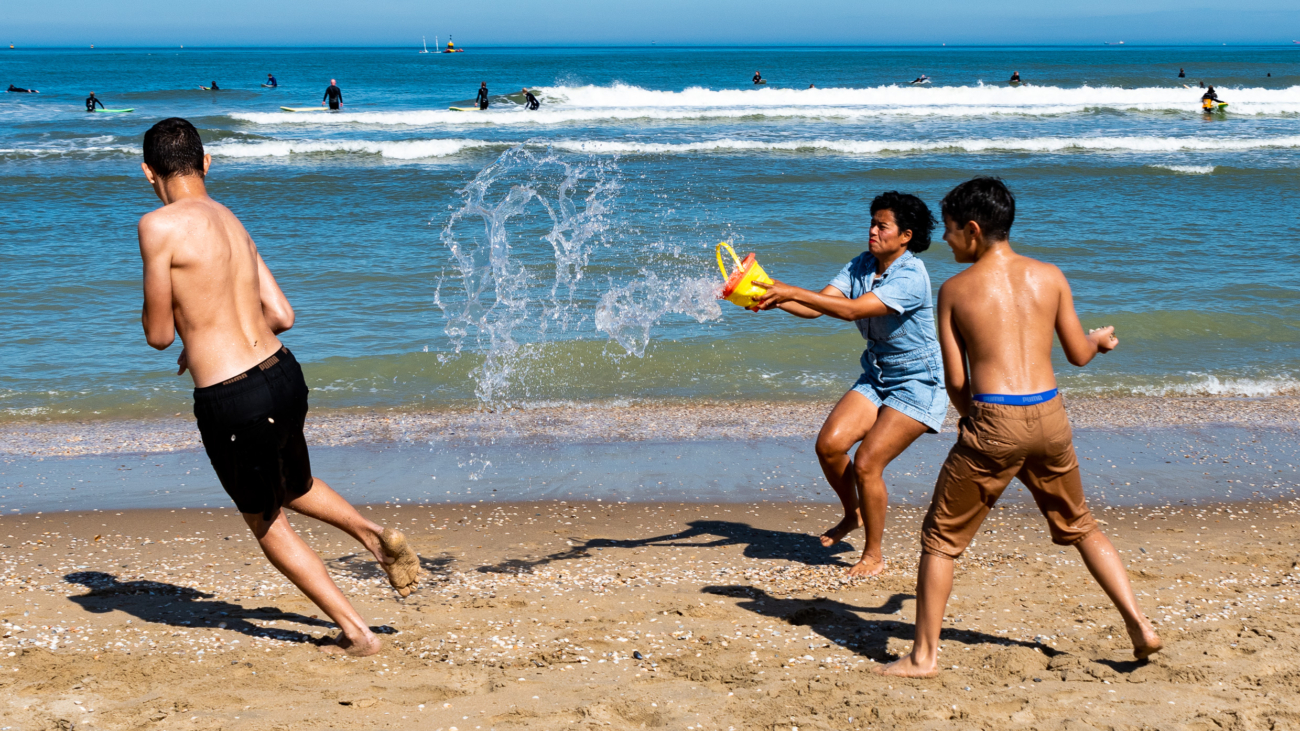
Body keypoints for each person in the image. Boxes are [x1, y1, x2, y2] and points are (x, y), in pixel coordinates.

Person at [135, 117, 421, 656]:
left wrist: (189, 335)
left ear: (148, 171)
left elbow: (157, 334)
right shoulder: (232, 221)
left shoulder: (158, 225)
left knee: (267, 521)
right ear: (207, 162)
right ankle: (372, 535)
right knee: (294, 482)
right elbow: (282, 315)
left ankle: (358, 634)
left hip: (232, 396)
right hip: (283, 374)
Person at [877, 177, 1162, 679]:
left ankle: (923, 657)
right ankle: (1139, 623)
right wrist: (1099, 341)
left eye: (948, 231)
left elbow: (957, 381)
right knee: (1081, 525)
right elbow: (1077, 355)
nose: (943, 240)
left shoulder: (954, 291)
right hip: (1049, 415)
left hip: (994, 418)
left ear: (972, 229)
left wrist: (975, 421)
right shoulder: (1049, 275)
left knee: (940, 540)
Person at [754, 192, 946, 577]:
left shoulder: (911, 275)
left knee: (867, 462)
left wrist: (788, 288)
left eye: (882, 225)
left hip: (917, 382)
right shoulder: (862, 265)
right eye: (872, 222)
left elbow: (853, 311)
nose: (872, 230)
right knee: (829, 446)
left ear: (905, 235)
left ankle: (873, 555)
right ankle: (853, 514)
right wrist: (765, 295)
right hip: (877, 375)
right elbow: (816, 306)